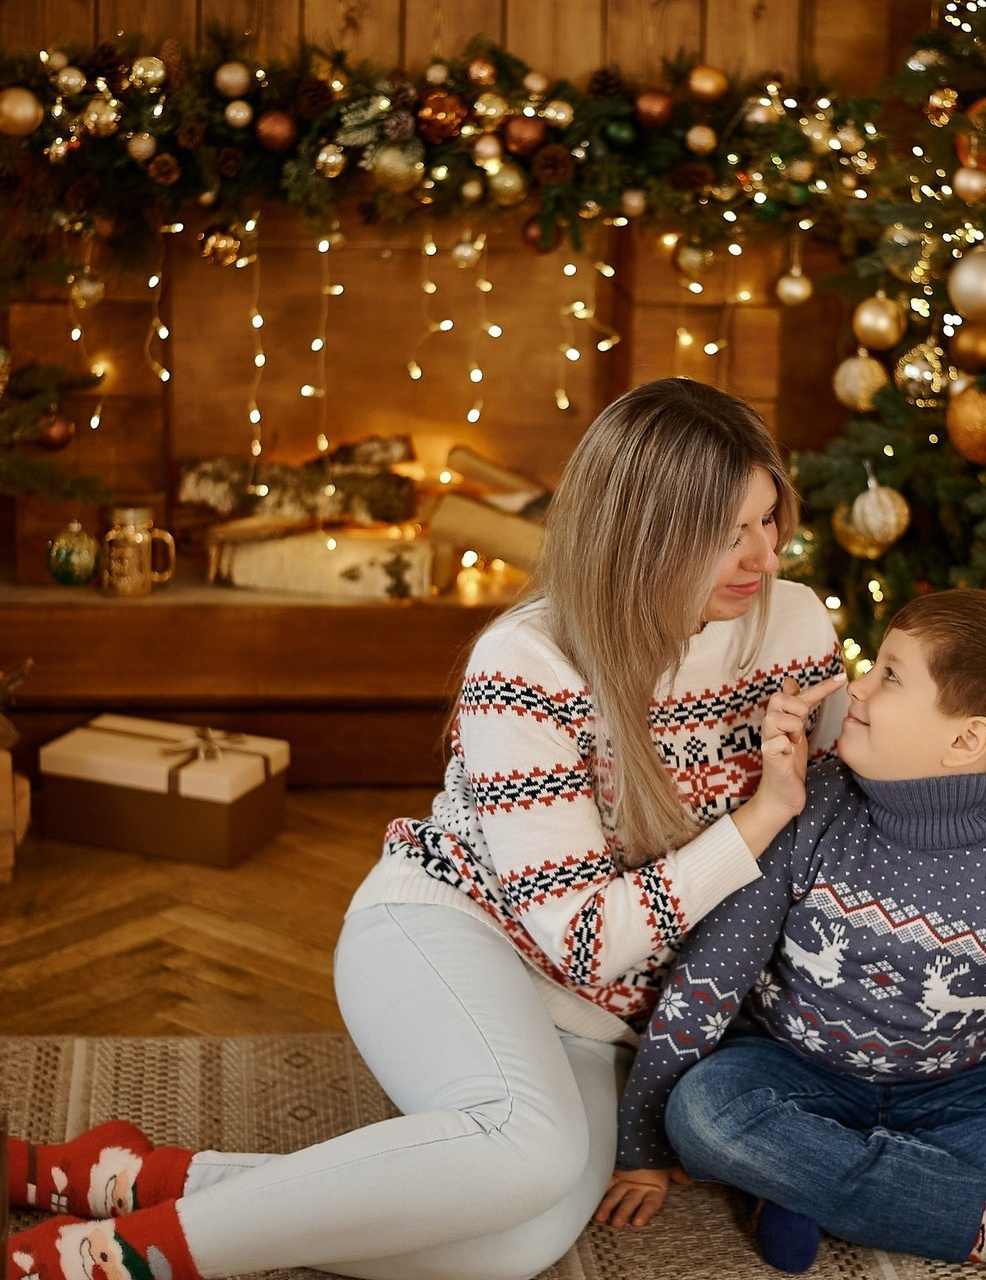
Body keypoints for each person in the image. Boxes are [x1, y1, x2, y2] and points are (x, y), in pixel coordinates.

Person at [5, 377, 850, 1280]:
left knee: (515, 1243)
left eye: (769, 520)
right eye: (728, 534)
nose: (762, 556)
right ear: (646, 534)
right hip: (449, 931)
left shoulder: (793, 625)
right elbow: (587, 940)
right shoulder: (528, 660)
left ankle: (131, 1176)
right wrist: (761, 816)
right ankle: (123, 1256)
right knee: (526, 1148)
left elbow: (856, 814)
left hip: (599, 1023)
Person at [595, 588, 986, 1280]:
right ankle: (982, 1229)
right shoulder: (809, 806)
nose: (856, 687)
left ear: (966, 740)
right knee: (703, 1113)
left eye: (889, 675)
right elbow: (710, 981)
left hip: (952, 1090)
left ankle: (801, 1180)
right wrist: (642, 1144)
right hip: (789, 1070)